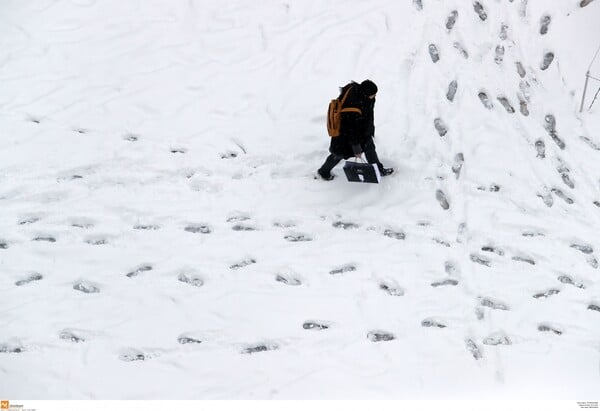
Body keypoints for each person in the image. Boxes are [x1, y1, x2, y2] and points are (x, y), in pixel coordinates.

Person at [317, 79, 393, 181]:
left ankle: (378, 170)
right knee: (339, 153)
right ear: (365, 94)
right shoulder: (352, 107)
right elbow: (352, 130)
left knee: (370, 148)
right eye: (373, 95)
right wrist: (357, 149)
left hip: (362, 132)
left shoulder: (358, 92)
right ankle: (323, 172)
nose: (374, 97)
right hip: (344, 135)